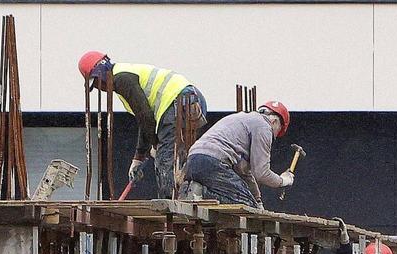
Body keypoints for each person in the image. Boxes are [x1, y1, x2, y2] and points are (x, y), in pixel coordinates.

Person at [78, 51, 207, 198]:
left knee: (165, 161)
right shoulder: (123, 75)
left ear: (100, 73)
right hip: (191, 100)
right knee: (181, 158)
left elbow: (146, 117)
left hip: (176, 102)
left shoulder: (122, 79)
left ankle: (171, 206)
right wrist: (138, 158)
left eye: (96, 83)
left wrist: (155, 146)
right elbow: (144, 121)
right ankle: (189, 195)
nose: (99, 88)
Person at [178, 101, 293, 208]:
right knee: (245, 205)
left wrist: (257, 200)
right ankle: (201, 193)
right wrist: (282, 181)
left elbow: (244, 173)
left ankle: (189, 189)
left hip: (193, 160)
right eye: (277, 132)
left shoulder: (241, 119)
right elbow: (261, 173)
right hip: (214, 162)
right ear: (274, 122)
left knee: (249, 202)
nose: (274, 137)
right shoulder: (264, 126)